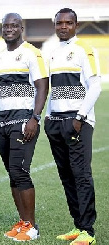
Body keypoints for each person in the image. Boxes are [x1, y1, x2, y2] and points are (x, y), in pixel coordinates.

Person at [0, 13, 49, 241]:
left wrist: (35, 118)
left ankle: (32, 227)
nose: (9, 29)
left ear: (21, 28)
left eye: (13, 26)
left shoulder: (32, 53)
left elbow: (42, 87)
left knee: (20, 171)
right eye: (5, 26)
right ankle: (23, 222)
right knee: (12, 174)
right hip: (3, 123)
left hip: (23, 121)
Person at [44, 8, 101, 245]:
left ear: (76, 25)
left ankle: (88, 230)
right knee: (66, 176)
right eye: (59, 23)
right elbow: (52, 90)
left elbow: (95, 86)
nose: (63, 27)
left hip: (77, 121)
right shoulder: (53, 52)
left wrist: (79, 117)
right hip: (56, 122)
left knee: (81, 175)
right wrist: (47, 117)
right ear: (55, 25)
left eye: (68, 23)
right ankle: (78, 226)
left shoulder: (84, 50)